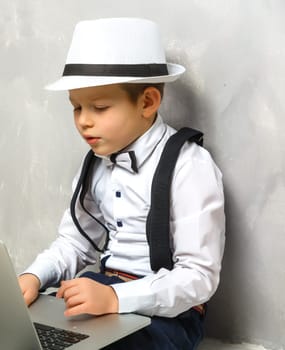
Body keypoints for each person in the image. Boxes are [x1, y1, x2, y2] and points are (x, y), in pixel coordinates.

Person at [18, 17, 225, 350]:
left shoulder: (190, 166)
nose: (84, 121)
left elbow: (198, 277)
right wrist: (34, 276)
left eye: (99, 107)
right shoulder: (96, 164)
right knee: (0, 336)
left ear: (147, 102)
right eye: (77, 107)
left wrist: (115, 297)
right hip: (102, 294)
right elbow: (74, 244)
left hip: (168, 316)